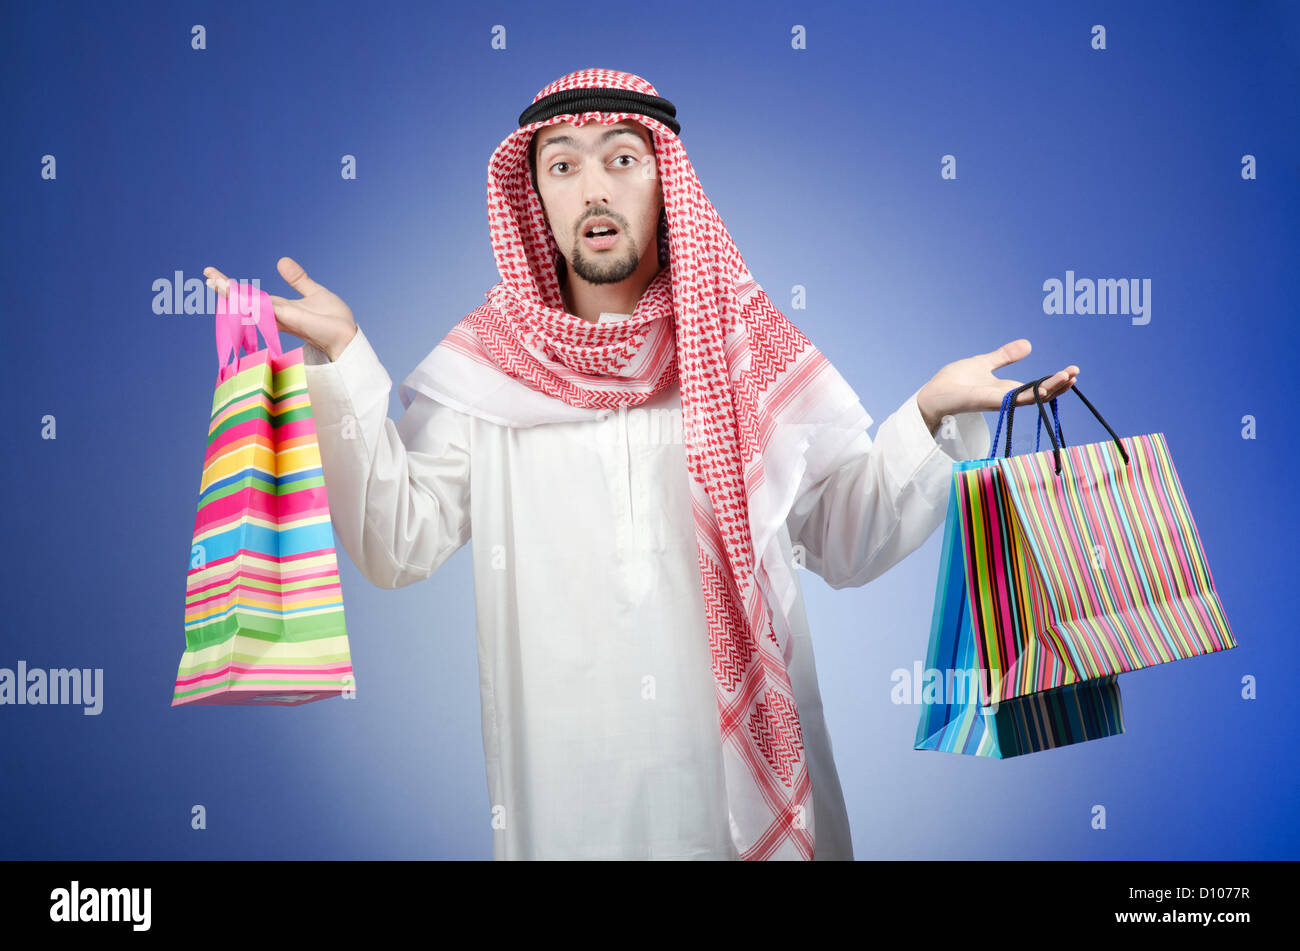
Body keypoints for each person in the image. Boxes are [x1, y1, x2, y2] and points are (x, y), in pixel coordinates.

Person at [203, 68, 1078, 861]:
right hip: (566, 813)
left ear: (667, 180)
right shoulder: (483, 372)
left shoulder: (741, 352)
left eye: (622, 158)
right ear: (533, 198)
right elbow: (397, 544)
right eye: (563, 164)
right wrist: (344, 360)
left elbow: (845, 539)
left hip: (747, 807)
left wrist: (930, 412)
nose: (594, 186)